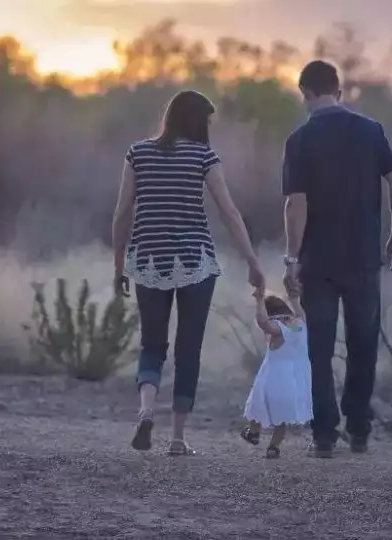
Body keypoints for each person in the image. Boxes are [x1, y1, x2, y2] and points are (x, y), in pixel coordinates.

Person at [112, 90, 266, 456]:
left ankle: (146, 411)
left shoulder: (138, 153)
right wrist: (253, 261)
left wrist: (119, 266)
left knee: (152, 344)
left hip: (148, 261)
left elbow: (121, 214)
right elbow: (229, 213)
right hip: (195, 262)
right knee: (188, 349)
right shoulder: (203, 156)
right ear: (197, 121)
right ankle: (178, 438)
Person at [281, 60, 392, 458]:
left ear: (305, 93)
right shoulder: (371, 131)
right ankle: (359, 429)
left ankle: (324, 435)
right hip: (363, 257)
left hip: (318, 262)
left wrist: (291, 258)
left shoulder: (300, 139)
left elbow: (295, 205)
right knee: (363, 343)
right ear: (338, 90)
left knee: (317, 348)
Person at [240, 290, 312, 459]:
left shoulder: (278, 328)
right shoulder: (299, 324)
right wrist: (294, 300)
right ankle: (274, 446)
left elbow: (263, 323)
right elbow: (300, 314)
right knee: (282, 417)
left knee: (258, 404)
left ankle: (254, 432)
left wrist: (258, 302)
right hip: (296, 378)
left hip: (273, 376)